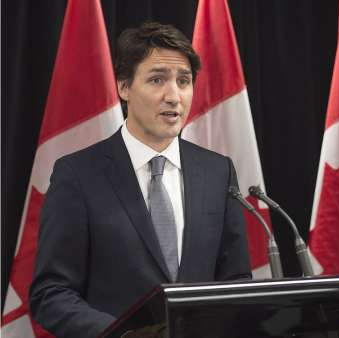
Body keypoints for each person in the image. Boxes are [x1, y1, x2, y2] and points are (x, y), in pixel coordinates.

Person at [29, 21, 251, 338]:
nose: (174, 96)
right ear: (124, 87)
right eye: (157, 79)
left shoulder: (217, 171)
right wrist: (122, 335)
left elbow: (236, 281)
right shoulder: (78, 175)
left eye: (184, 81)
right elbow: (51, 294)